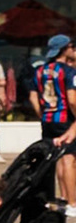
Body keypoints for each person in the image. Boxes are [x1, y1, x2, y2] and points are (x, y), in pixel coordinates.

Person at [30, 34, 76, 206]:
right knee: (69, 160)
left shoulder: (40, 70)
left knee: (57, 158)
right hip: (65, 118)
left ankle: (63, 196)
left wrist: (41, 113)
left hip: (48, 117)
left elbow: (33, 97)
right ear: (64, 49)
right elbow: (72, 99)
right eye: (72, 47)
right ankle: (72, 203)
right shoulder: (68, 71)